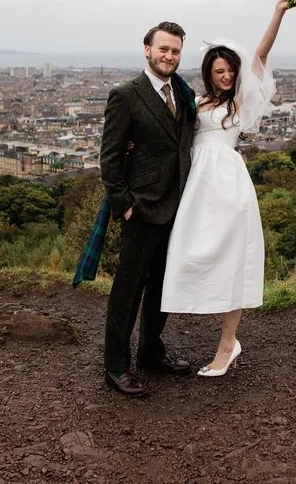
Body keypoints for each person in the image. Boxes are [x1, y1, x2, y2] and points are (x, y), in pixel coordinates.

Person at [161, 0, 290, 376]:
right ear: (208, 73)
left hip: (229, 188)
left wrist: (279, 10)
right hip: (196, 187)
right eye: (219, 71)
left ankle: (226, 344)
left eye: (230, 70)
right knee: (189, 255)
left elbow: (261, 57)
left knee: (232, 262)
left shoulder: (241, 103)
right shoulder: (195, 101)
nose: (227, 76)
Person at [100, 21, 196, 397]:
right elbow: (109, 159)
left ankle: (151, 351)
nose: (169, 56)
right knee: (128, 289)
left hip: (177, 206)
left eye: (175, 51)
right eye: (163, 49)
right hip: (141, 209)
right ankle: (116, 365)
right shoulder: (125, 94)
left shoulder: (183, 91)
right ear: (147, 49)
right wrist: (124, 207)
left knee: (163, 286)